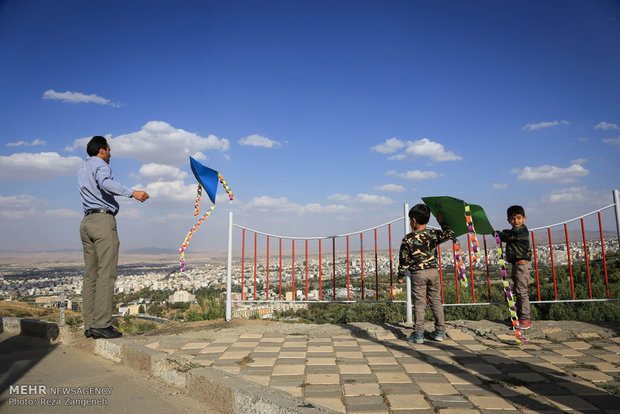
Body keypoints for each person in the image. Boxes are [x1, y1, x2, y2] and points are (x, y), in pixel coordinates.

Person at [78, 136, 149, 339]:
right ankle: (101, 325)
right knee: (106, 274)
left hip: (86, 222)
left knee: (90, 275)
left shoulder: (82, 167)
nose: (110, 154)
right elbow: (105, 183)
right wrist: (132, 193)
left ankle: (90, 324)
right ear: (102, 150)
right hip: (102, 221)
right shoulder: (101, 165)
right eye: (109, 150)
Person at [398, 204, 455, 344]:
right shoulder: (434, 234)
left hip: (418, 274)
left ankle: (418, 334)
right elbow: (450, 234)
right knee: (436, 300)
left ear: (413, 220)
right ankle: (440, 332)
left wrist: (400, 276)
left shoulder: (408, 238)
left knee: (419, 303)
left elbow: (403, 259)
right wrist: (442, 222)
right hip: (433, 272)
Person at [496, 205, 532, 329]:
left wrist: (500, 234)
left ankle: (525, 318)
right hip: (517, 265)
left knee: (522, 292)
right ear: (509, 220)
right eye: (513, 218)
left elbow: (508, 236)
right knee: (518, 290)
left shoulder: (521, 231)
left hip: (522, 265)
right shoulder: (516, 231)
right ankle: (518, 317)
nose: (516, 221)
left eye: (518, 218)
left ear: (524, 218)